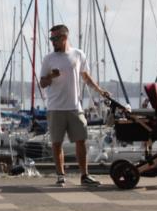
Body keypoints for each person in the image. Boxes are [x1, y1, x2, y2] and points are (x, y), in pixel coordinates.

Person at [38, 24, 110, 187]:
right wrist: (51, 76)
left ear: (64, 37)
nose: (52, 42)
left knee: (81, 140)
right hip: (55, 107)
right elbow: (42, 83)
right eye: (51, 39)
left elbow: (86, 76)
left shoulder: (78, 54)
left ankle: (85, 175)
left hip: (75, 107)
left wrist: (100, 90)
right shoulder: (49, 59)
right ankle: (60, 176)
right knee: (56, 143)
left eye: (54, 39)